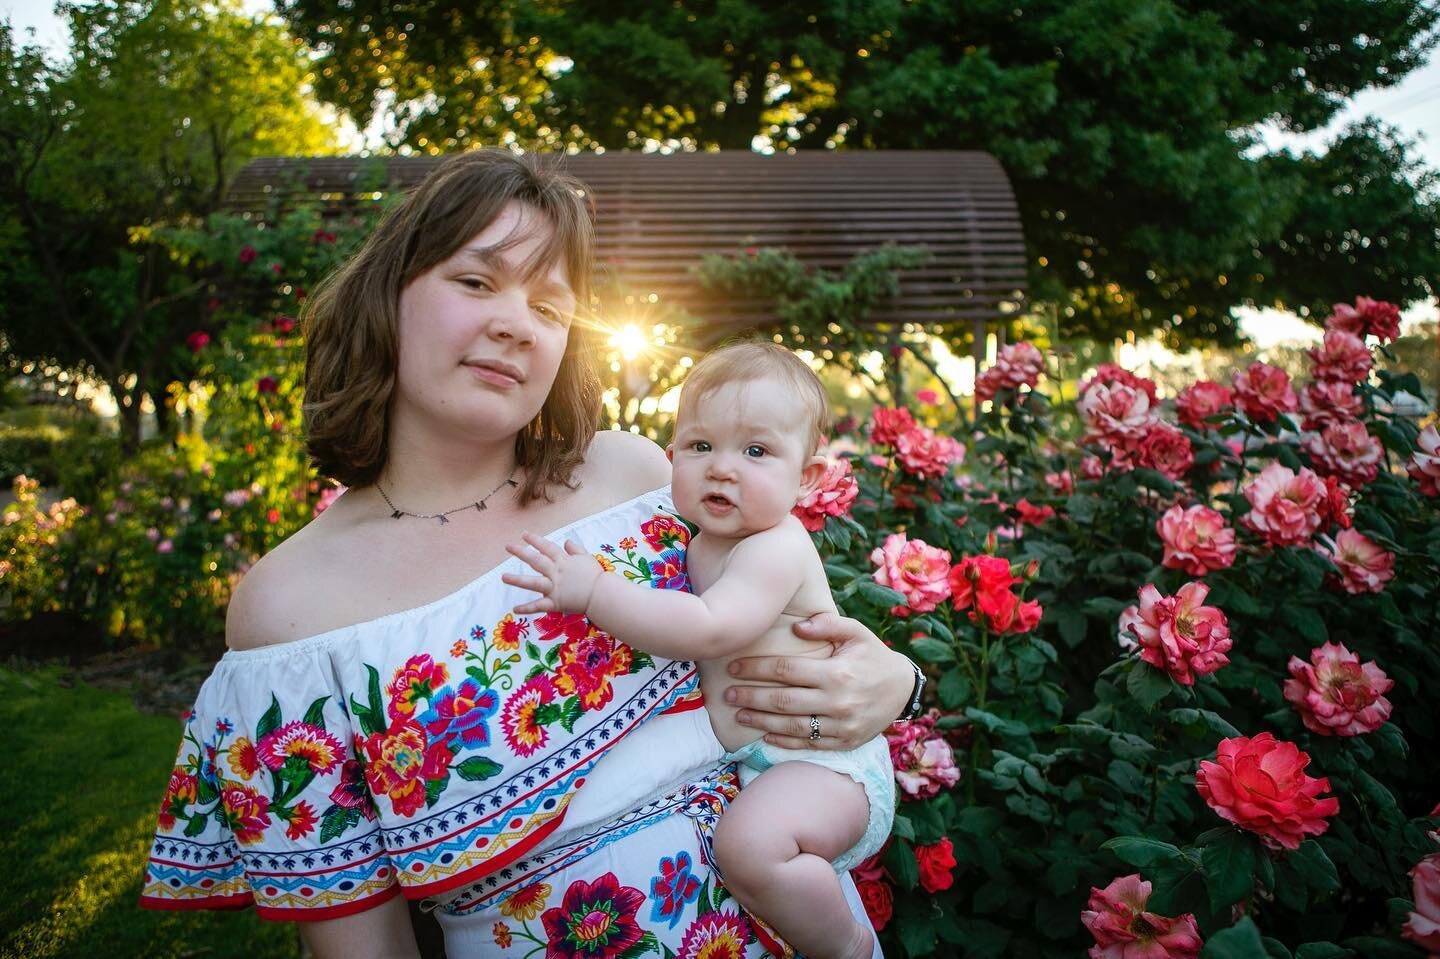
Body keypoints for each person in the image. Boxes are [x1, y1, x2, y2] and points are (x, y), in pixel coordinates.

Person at [138, 149, 919, 958]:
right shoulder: (291, 611)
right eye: (476, 282)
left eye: (550, 308)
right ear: (387, 296)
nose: (515, 323)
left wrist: (898, 680)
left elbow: (785, 622)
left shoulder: (637, 478)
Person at [503, 340, 894, 959]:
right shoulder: (703, 539)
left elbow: (710, 627)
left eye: (757, 451)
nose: (722, 468)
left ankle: (844, 945)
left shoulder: (775, 547)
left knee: (748, 848)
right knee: (750, 845)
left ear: (808, 478)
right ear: (672, 456)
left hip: (830, 765)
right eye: (701, 446)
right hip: (767, 762)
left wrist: (597, 592)